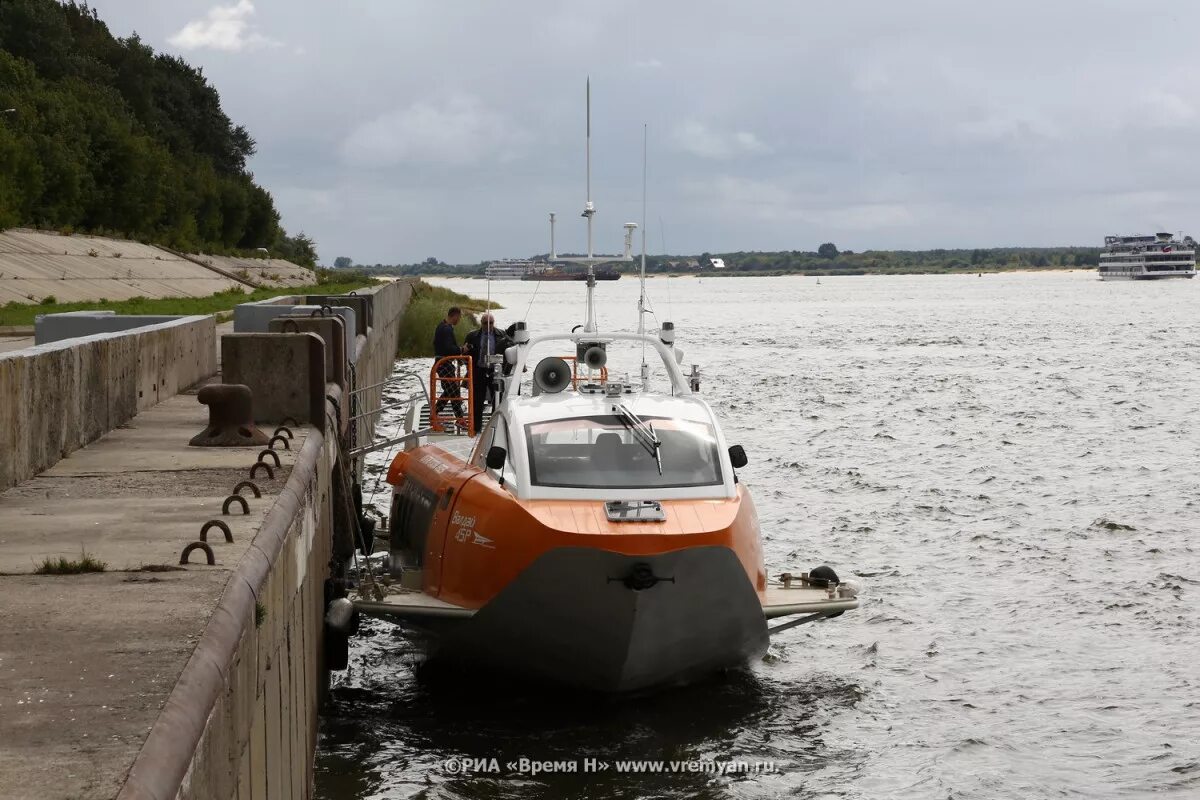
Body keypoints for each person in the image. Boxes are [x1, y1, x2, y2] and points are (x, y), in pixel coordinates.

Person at [463, 313, 513, 433]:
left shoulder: (501, 335)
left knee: (498, 398)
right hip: (479, 370)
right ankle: (476, 428)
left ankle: (495, 426)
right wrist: (468, 364)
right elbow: (465, 353)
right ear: (481, 323)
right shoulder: (472, 336)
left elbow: (510, 350)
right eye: (486, 323)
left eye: (491, 323)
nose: (489, 326)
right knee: (477, 400)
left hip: (495, 371)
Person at [432, 306, 464, 420]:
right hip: (444, 364)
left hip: (443, 364)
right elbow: (448, 348)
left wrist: (458, 356)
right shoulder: (446, 329)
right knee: (453, 391)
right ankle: (459, 418)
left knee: (450, 391)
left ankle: (435, 413)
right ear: (454, 315)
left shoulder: (442, 326)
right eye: (459, 317)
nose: (459, 320)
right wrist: (461, 350)